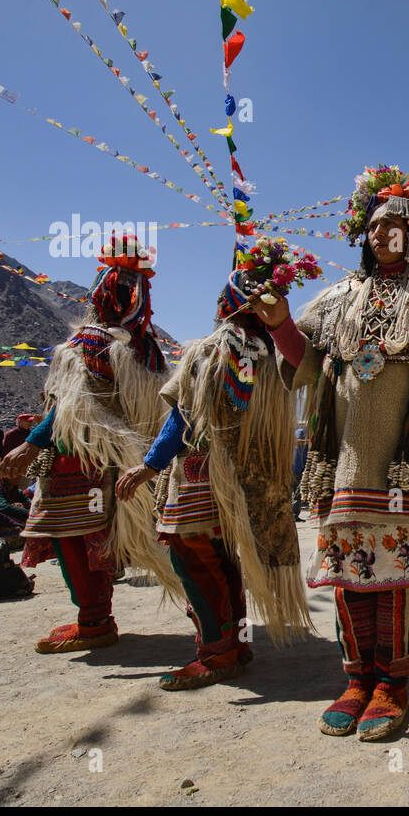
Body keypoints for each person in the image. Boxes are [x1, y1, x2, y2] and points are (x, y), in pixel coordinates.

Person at [252, 168, 409, 741]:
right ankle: (356, 678)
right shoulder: (338, 298)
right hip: (344, 456)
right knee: (349, 569)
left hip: (408, 457)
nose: (380, 235)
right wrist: (281, 323)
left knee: (394, 570)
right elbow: (304, 360)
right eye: (374, 227)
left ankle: (393, 685)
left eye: (394, 226)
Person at [117, 256, 313, 689]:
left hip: (203, 473)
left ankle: (217, 653)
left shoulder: (217, 346)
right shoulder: (269, 352)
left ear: (228, 300)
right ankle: (235, 644)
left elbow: (188, 415)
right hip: (245, 475)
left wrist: (150, 465)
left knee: (194, 558)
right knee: (224, 561)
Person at [1, 233, 175, 654]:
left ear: (101, 295)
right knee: (96, 540)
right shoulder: (147, 351)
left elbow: (72, 408)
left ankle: (93, 621)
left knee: (74, 540)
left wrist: (32, 444)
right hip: (114, 463)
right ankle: (96, 618)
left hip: (74, 463)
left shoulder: (87, 344)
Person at [291, 426, 309, 521]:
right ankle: (294, 515)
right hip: (297, 471)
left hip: (292, 470)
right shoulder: (304, 445)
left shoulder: (293, 445)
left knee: (293, 492)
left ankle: (292, 514)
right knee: (297, 493)